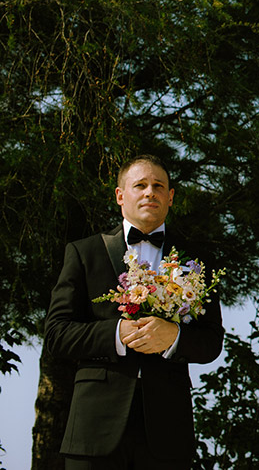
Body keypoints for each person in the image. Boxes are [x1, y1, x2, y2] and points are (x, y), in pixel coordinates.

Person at [44, 154, 224, 469]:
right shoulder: (83, 253)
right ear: (120, 195)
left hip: (168, 431)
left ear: (170, 197)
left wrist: (173, 336)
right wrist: (116, 334)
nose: (149, 192)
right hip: (93, 430)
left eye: (158, 186)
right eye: (140, 185)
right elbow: (57, 335)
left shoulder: (199, 260)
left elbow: (211, 343)